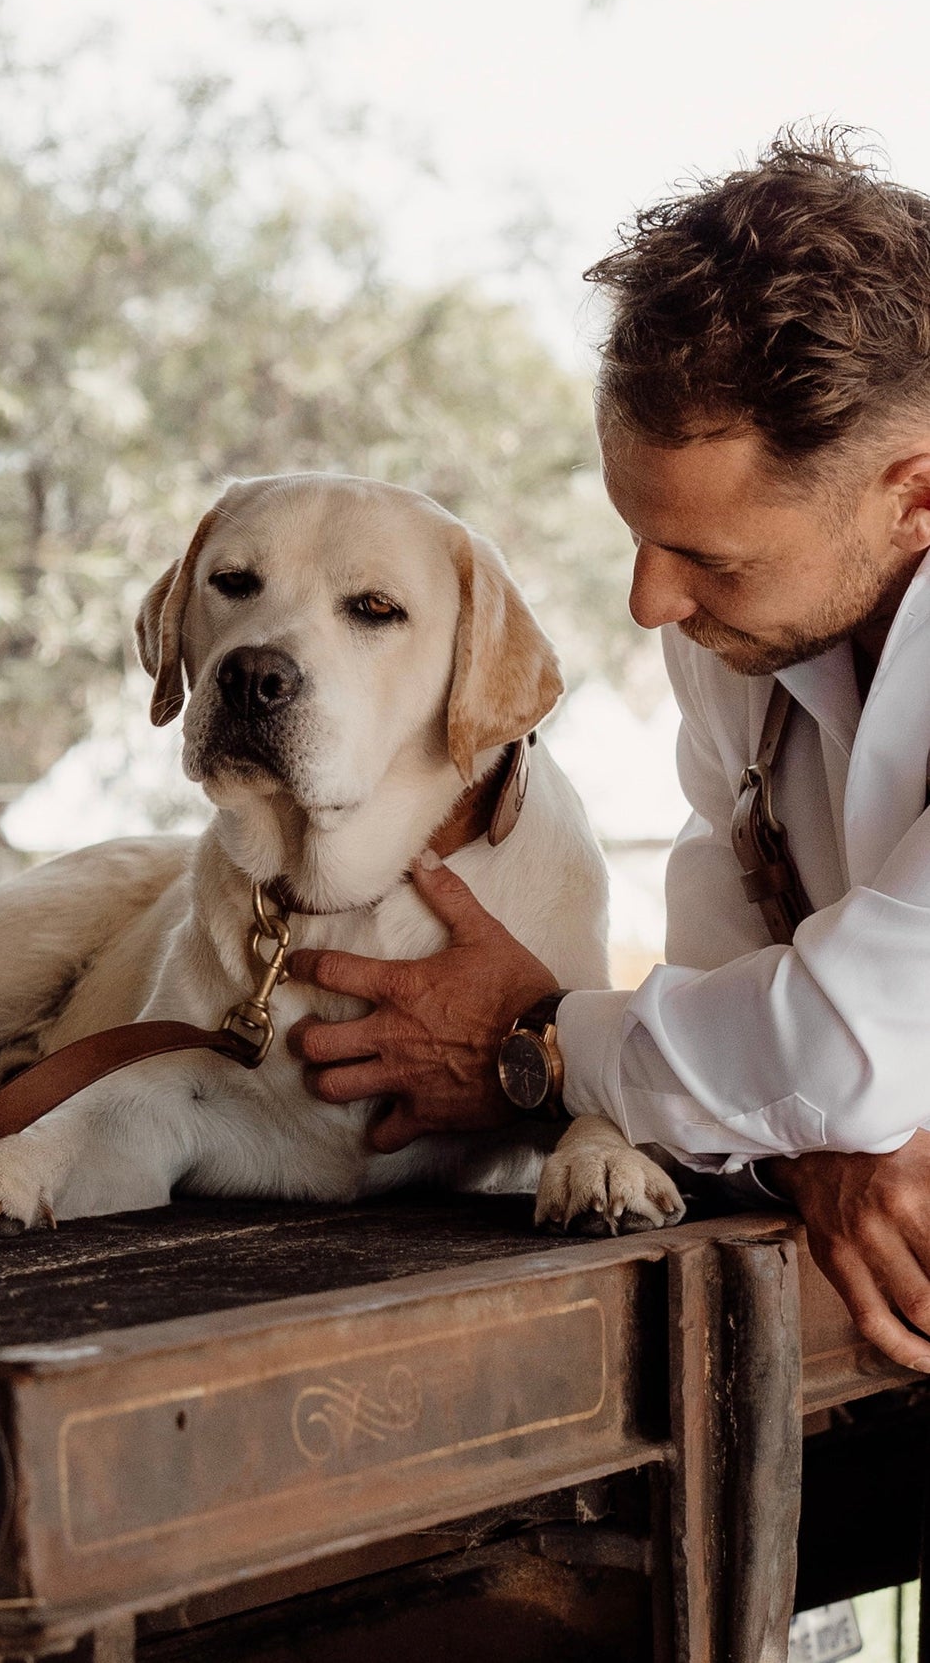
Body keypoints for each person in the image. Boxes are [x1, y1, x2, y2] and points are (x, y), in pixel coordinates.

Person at [287, 130, 930, 1372]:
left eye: (708, 557)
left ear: (912, 497)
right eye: (638, 533)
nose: (647, 603)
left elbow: (832, 1043)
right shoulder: (736, 637)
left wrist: (525, 1042)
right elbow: (738, 1000)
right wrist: (814, 1149)